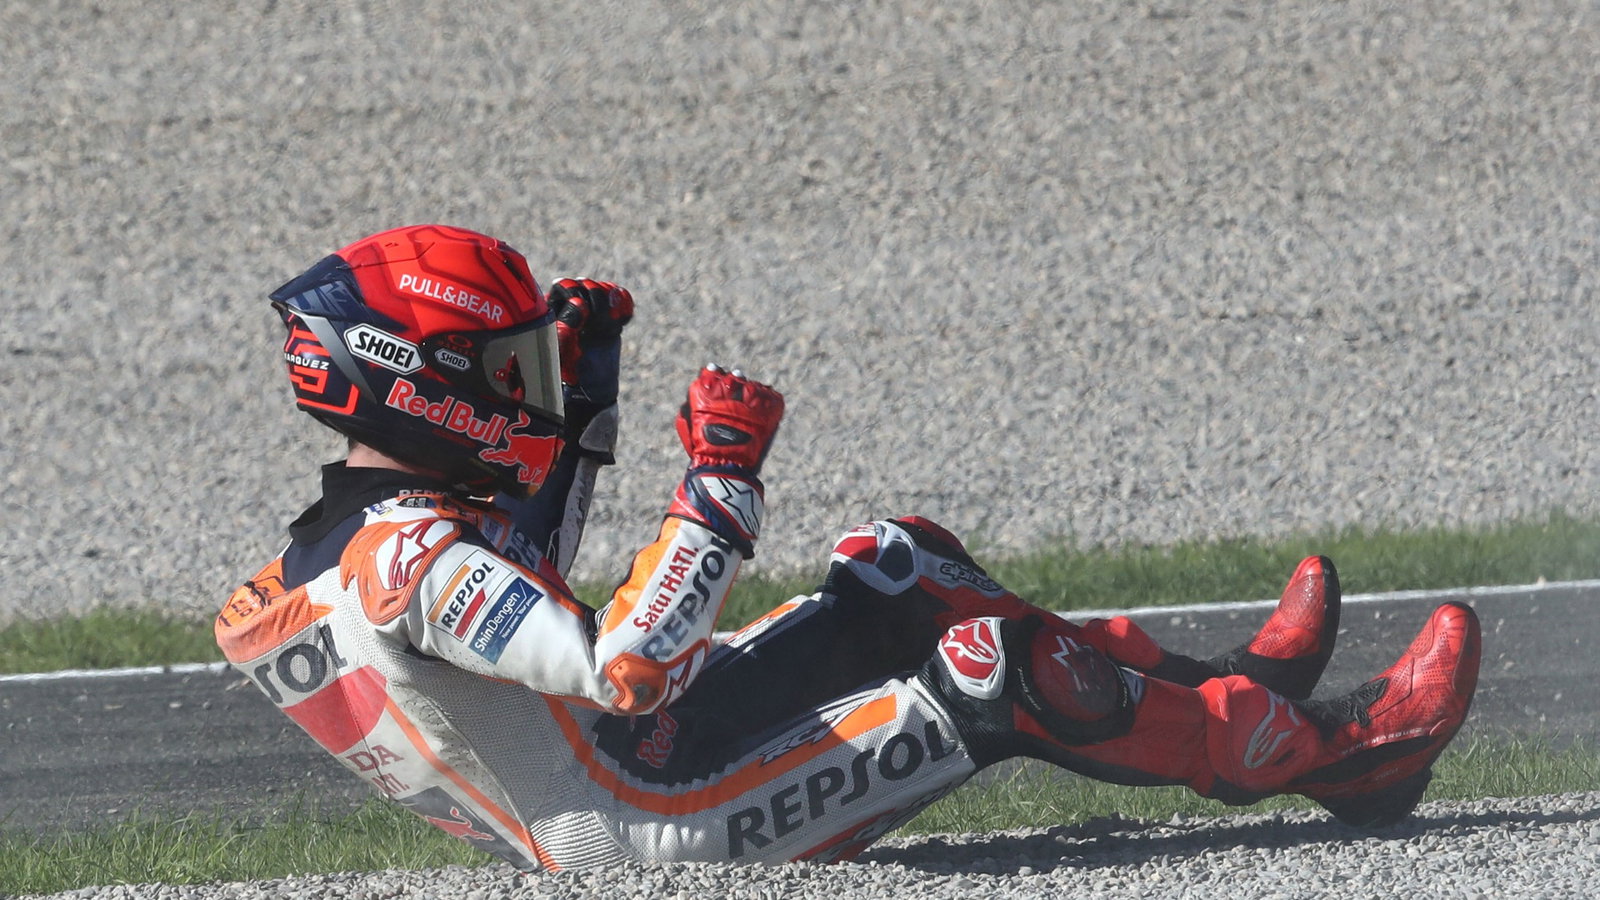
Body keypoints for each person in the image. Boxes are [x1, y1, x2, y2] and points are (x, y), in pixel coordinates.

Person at [217, 224, 1482, 870]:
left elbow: (526, 561)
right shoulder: (409, 565)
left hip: (620, 764)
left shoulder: (353, 551)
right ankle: (1344, 757)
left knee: (901, 562)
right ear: (416, 383)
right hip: (659, 826)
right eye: (506, 369)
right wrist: (719, 486)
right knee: (989, 666)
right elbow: (623, 666)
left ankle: (1231, 687)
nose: (532, 393)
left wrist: (588, 387)